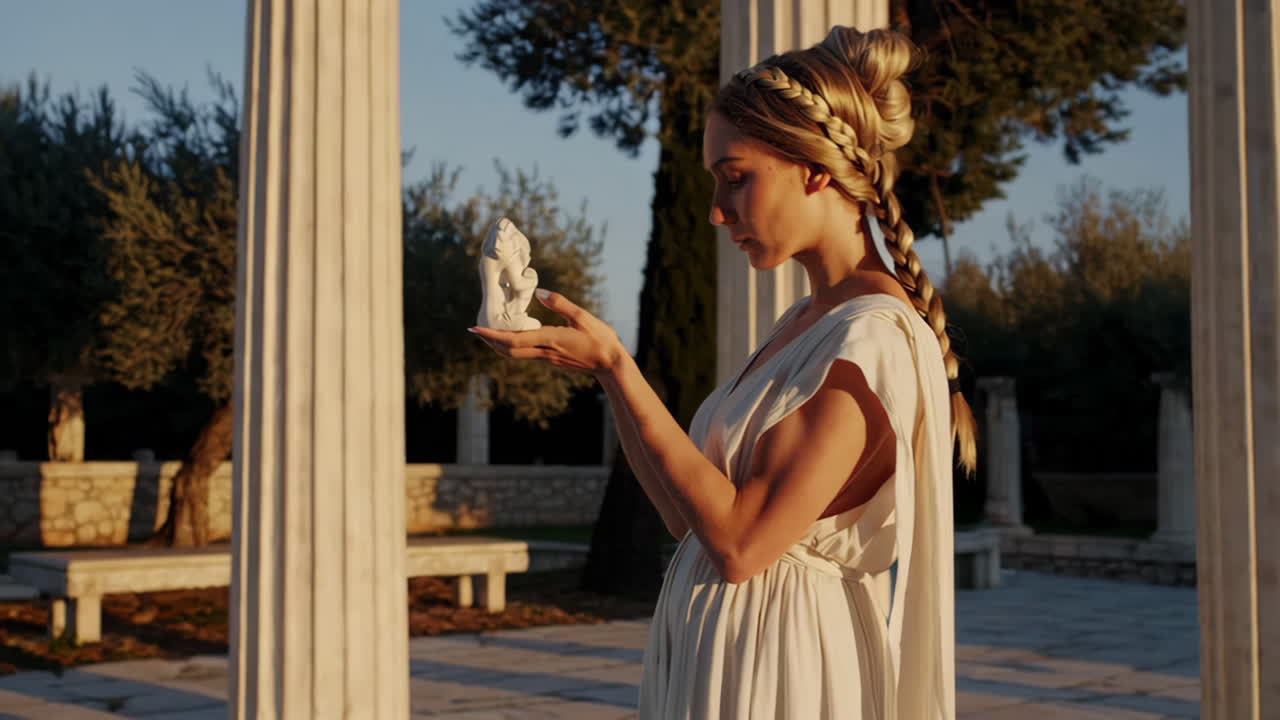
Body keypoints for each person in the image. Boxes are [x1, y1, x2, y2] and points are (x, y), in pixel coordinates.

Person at [469, 25, 976, 720]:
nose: (716, 210)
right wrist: (610, 376)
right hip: (727, 646)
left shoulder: (872, 338)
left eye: (735, 178)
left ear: (815, 169)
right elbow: (690, 519)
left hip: (782, 659)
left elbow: (742, 542)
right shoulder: (803, 323)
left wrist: (619, 361)